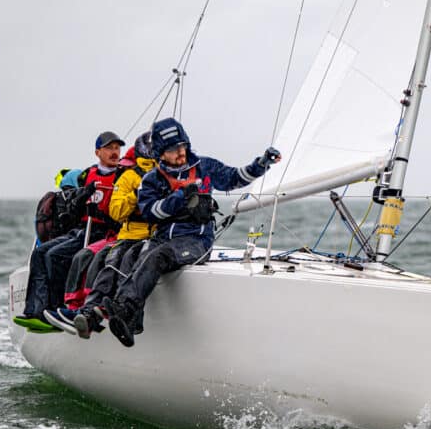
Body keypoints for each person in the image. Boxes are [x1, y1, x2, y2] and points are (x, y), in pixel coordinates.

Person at [74, 117, 280, 346]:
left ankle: (126, 311)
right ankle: (112, 316)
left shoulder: (204, 167)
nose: (180, 153)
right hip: (162, 237)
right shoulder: (152, 180)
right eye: (173, 150)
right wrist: (179, 197)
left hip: (196, 241)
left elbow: (235, 178)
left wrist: (262, 163)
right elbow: (150, 211)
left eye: (183, 146)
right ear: (160, 153)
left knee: (156, 257)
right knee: (131, 255)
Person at [14, 130, 125, 329]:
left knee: (55, 256)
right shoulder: (88, 175)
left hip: (103, 232)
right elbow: (74, 209)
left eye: (117, 148)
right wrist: (81, 197)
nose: (114, 152)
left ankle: (56, 310)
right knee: (40, 253)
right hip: (82, 229)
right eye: (109, 148)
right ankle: (36, 310)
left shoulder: (122, 175)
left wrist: (99, 214)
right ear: (98, 152)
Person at [69, 131, 158, 338]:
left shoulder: (168, 175)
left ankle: (128, 317)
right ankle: (89, 312)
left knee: (127, 261)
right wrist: (136, 195)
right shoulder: (129, 176)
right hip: (128, 234)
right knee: (109, 260)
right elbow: (116, 211)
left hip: (154, 237)